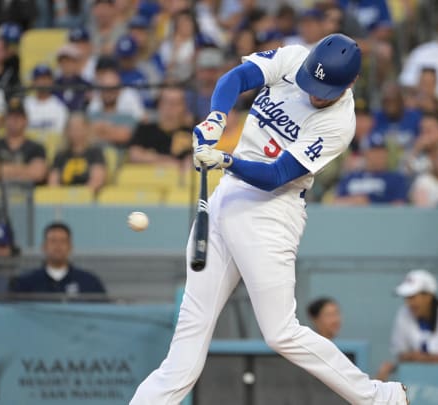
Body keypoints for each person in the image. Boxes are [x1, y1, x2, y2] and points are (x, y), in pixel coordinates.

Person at [130, 34, 408, 405]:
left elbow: (277, 174)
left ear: (351, 83)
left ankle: (378, 397)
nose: (316, 94)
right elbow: (236, 79)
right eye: (314, 83)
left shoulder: (340, 124)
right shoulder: (295, 59)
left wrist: (227, 159)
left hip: (272, 209)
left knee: (280, 332)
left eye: (326, 90)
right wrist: (216, 117)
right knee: (186, 344)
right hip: (228, 195)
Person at [377, 269, 438, 381]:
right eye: (406, 298)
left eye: (413, 297)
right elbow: (402, 355)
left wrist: (419, 358)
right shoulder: (404, 314)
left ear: (428, 296)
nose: (409, 303)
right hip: (424, 380)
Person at [10, 222, 106, 296]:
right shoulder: (25, 283)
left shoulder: (90, 283)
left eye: (63, 241)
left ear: (70, 247)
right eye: (53, 241)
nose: (58, 246)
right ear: (44, 247)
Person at [0, 98, 48, 185]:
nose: (14, 120)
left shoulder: (37, 148)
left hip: (28, 195)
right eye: (10, 117)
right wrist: (25, 170)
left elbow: (38, 174)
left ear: (26, 120)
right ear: (4, 120)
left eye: (18, 116)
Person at [334, 133, 409, 205]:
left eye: (382, 152)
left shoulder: (396, 179)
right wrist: (354, 201)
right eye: (374, 151)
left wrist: (370, 204)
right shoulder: (350, 177)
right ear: (365, 153)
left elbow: (399, 207)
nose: (378, 156)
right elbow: (336, 203)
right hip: (351, 215)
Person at [128, 87, 193, 166]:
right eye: (166, 102)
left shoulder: (193, 132)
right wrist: (168, 162)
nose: (170, 108)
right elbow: (134, 155)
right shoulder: (145, 130)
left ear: (184, 107)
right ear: (159, 105)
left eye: (175, 103)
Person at [48, 113, 107, 194]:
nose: (75, 132)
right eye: (72, 129)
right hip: (62, 201)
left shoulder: (95, 153)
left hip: (87, 199)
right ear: (67, 131)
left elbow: (97, 180)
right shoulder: (60, 155)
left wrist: (80, 196)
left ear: (87, 129)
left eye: (79, 128)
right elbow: (53, 182)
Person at [23, 65, 69, 135]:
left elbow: (60, 134)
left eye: (46, 79)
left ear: (52, 81)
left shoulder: (59, 106)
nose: (43, 82)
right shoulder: (25, 104)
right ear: (33, 82)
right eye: (39, 79)